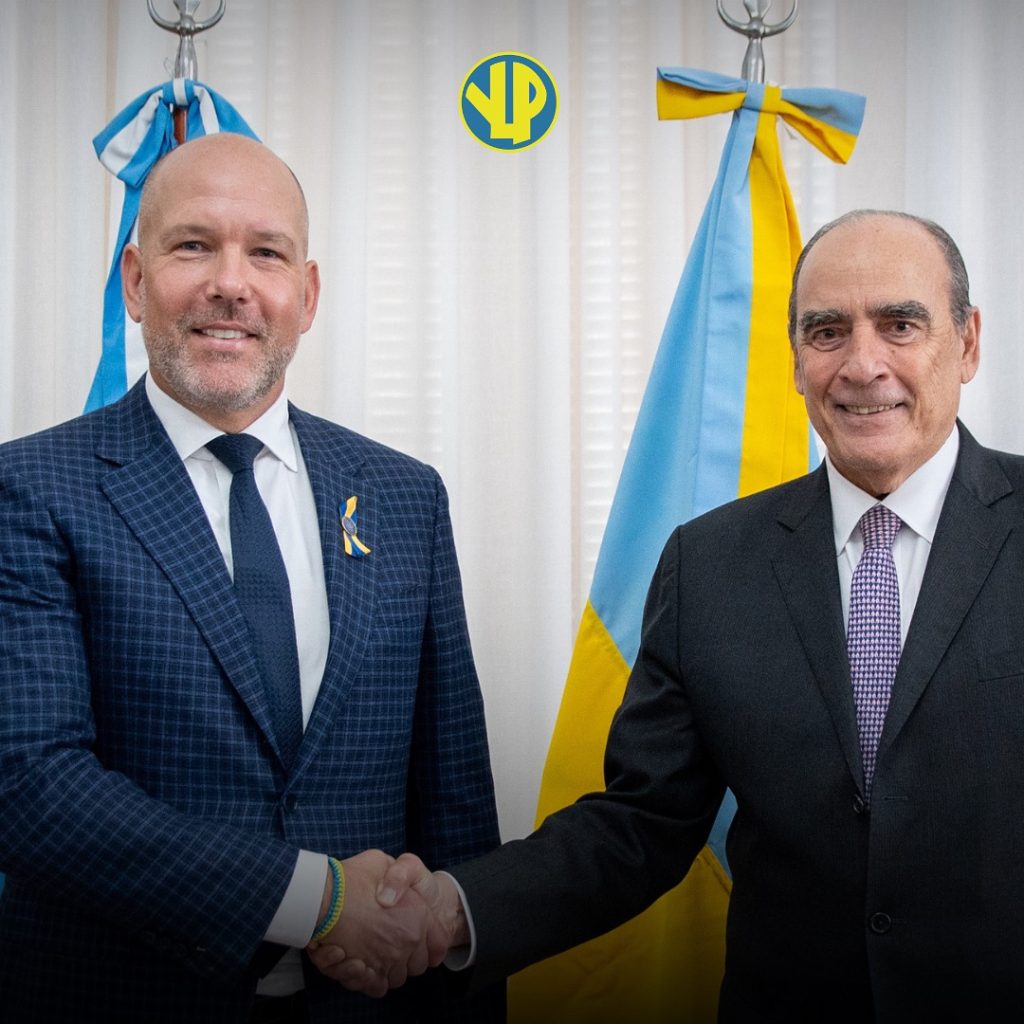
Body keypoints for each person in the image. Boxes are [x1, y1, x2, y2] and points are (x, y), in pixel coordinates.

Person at [323, 209, 1024, 1020]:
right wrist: (450, 911)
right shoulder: (711, 564)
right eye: (827, 331)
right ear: (796, 361)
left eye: (900, 324)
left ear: (967, 343)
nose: (863, 364)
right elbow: (642, 822)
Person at [0, 132, 502, 1024]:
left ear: (306, 296)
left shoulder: (404, 496)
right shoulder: (31, 488)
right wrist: (320, 900)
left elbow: (453, 797)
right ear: (134, 281)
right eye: (194, 245)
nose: (231, 283)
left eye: (266, 253)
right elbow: (33, 787)